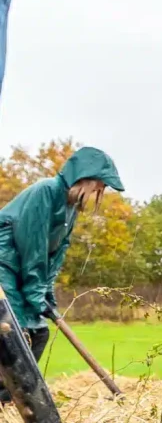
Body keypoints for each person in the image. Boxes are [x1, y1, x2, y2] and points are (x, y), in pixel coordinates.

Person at [0, 146, 124, 403]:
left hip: (22, 266)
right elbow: (32, 246)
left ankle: (9, 398)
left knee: (39, 333)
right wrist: (34, 294)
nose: (98, 192)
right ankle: (5, 398)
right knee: (16, 332)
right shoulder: (46, 191)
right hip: (5, 264)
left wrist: (47, 293)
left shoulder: (70, 207)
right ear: (83, 177)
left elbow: (56, 254)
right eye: (98, 186)